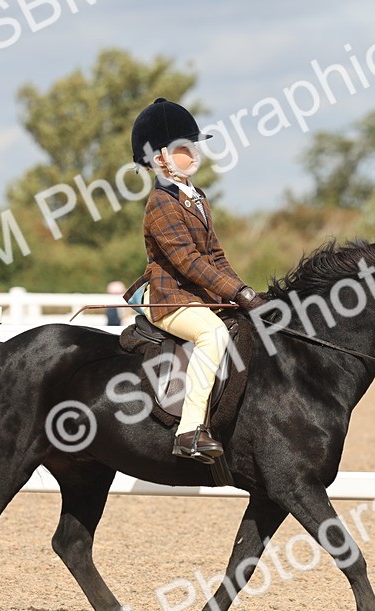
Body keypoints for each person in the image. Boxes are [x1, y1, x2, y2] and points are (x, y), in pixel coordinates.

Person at [123, 98, 265, 463]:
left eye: (193, 146)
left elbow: (215, 256)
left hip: (196, 297)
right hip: (168, 299)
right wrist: (238, 292)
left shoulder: (196, 197)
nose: (194, 154)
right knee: (213, 334)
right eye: (185, 148)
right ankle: (189, 431)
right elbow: (187, 261)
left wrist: (245, 293)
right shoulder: (161, 203)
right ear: (160, 159)